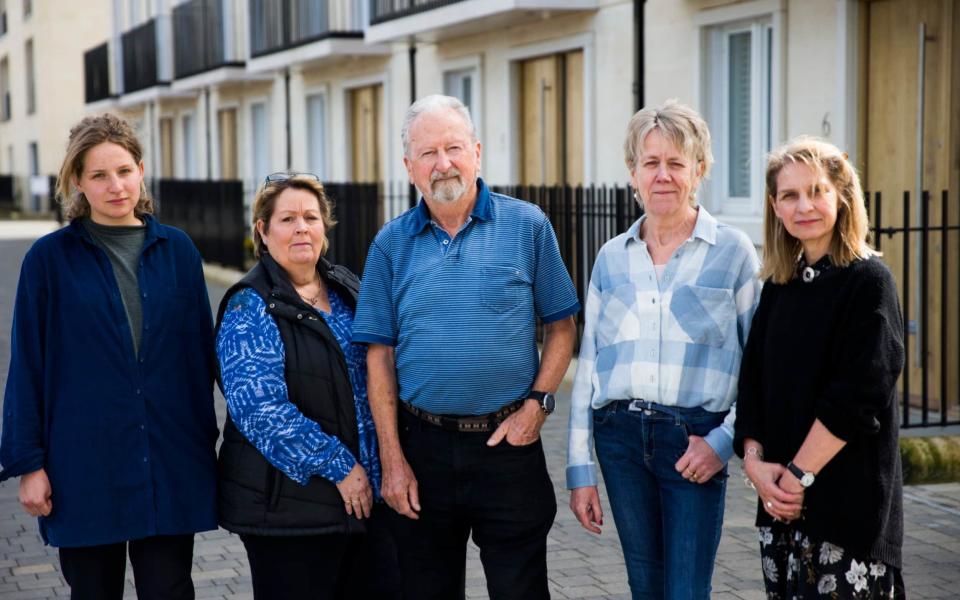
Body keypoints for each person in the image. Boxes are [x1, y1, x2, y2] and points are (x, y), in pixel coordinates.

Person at [352, 94, 579, 600]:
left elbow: (562, 326)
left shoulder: (528, 226)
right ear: (410, 167)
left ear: (476, 151)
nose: (443, 163)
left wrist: (538, 407)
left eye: (453, 147)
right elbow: (379, 356)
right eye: (428, 153)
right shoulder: (389, 244)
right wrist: (392, 459)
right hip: (422, 448)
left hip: (508, 446)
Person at [0, 113, 218, 599]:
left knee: (171, 589)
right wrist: (29, 465)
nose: (115, 186)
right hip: (83, 464)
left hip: (169, 456)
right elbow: (27, 365)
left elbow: (205, 353)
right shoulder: (49, 260)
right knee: (93, 590)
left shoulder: (178, 250)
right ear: (77, 180)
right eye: (99, 175)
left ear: (141, 170)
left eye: (123, 171)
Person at [566, 100, 761, 599]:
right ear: (633, 173)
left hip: (693, 442)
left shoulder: (734, 253)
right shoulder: (611, 258)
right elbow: (588, 365)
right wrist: (579, 470)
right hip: (621, 441)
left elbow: (760, 370)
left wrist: (723, 444)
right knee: (645, 588)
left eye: (676, 163)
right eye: (651, 163)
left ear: (700, 170)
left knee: (687, 591)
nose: (663, 175)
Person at [734, 137, 905, 598]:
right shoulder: (779, 284)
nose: (803, 205)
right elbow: (751, 385)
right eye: (789, 195)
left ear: (841, 196)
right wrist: (755, 465)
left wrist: (796, 476)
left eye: (816, 191)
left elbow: (858, 398)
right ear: (774, 206)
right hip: (781, 509)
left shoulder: (869, 281)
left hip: (845, 511)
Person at [214, 172, 398, 599]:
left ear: (325, 228)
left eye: (311, 218)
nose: (301, 228)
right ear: (263, 230)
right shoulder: (250, 304)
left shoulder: (347, 287)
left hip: (368, 504)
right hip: (291, 510)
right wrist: (342, 467)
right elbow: (258, 409)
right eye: (288, 219)